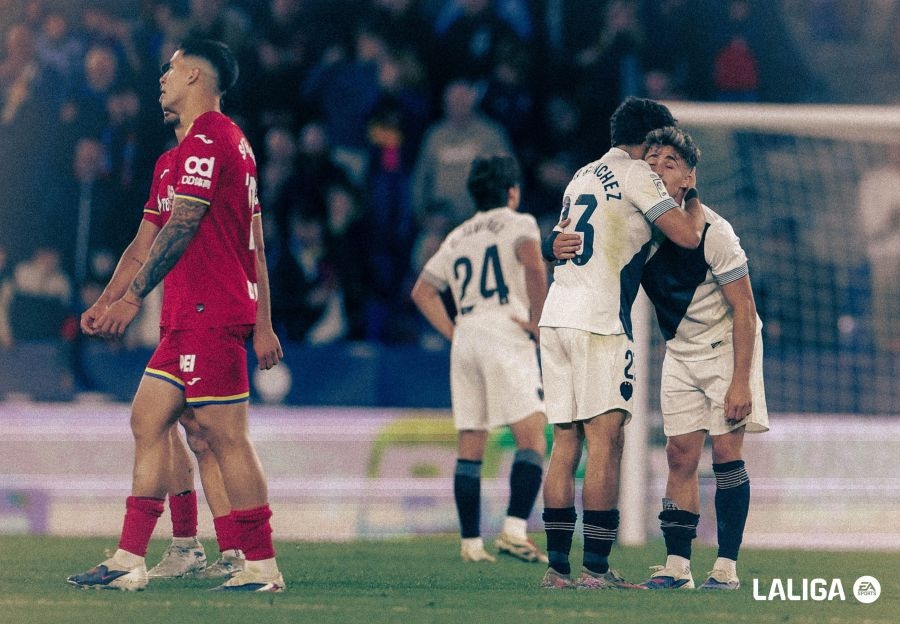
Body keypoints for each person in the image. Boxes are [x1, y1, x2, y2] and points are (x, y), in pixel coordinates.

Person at [67, 38, 284, 592]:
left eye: (172, 67)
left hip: (213, 312)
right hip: (184, 318)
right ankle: (130, 558)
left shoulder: (214, 138)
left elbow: (187, 224)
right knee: (148, 420)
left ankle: (259, 563)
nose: (162, 76)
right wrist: (107, 300)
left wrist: (133, 299)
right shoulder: (176, 160)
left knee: (224, 437)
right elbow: (143, 244)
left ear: (194, 76)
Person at [536, 97, 705, 590]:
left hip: (557, 315)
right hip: (599, 321)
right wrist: (690, 195)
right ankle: (595, 569)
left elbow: (561, 240)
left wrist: (549, 245)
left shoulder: (581, 175)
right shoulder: (637, 174)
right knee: (605, 442)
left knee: (564, 443)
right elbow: (686, 236)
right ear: (648, 139)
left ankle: (557, 569)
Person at [627, 126, 768, 590]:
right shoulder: (637, 229)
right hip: (680, 352)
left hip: (727, 348)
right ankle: (677, 567)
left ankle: (726, 568)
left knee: (725, 453)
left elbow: (745, 309)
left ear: (688, 178)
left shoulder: (714, 231)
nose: (657, 169)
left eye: (669, 163)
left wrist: (741, 381)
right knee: (679, 455)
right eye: (651, 161)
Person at [411, 154, 549, 564]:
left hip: (468, 334)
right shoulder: (519, 222)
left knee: (471, 441)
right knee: (532, 436)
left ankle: (471, 544)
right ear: (511, 191)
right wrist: (539, 321)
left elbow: (422, 291)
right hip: (505, 329)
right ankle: (514, 532)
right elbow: (533, 265)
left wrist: (454, 332)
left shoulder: (457, 236)